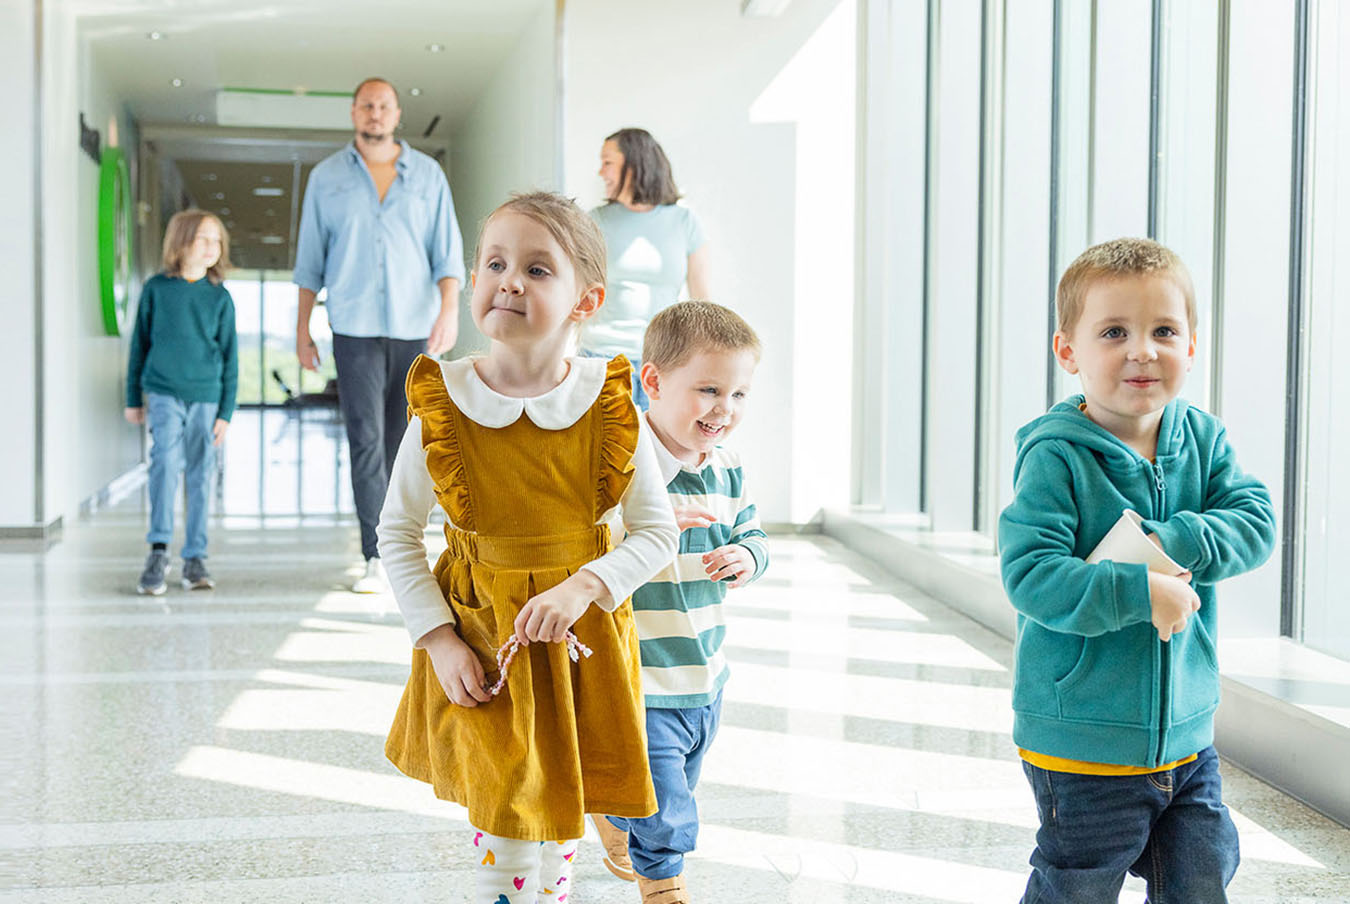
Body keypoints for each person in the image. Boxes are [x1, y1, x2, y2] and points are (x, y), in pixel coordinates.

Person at [376, 191, 679, 904]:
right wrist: (439, 641)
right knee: (507, 821)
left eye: (538, 269)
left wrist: (583, 588)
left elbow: (656, 532)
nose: (508, 280)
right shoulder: (441, 404)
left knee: (557, 822)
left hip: (581, 646)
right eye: (494, 263)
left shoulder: (610, 406)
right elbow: (397, 531)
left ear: (586, 300)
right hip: (486, 649)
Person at [998, 238, 1277, 902]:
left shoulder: (1203, 439)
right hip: (1081, 744)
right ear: (1069, 351)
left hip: (1187, 739)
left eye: (1163, 331)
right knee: (1079, 886)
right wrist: (1136, 592)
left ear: (1192, 343)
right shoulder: (1056, 457)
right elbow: (1031, 576)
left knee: (1201, 878)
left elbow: (1256, 520)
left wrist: (1174, 539)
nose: (1142, 350)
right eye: (1115, 331)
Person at [590, 301, 768, 904]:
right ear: (654, 382)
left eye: (740, 393)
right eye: (709, 389)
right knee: (668, 804)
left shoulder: (728, 467)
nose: (725, 409)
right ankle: (663, 883)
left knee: (678, 783)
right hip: (642, 673)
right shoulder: (621, 464)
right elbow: (589, 542)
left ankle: (616, 815)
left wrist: (748, 556)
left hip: (706, 669)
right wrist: (647, 522)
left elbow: (753, 533)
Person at [293, 76, 465, 594]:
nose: (374, 113)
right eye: (366, 105)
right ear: (353, 113)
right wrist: (302, 330)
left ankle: (404, 546)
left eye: (383, 105)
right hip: (353, 327)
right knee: (364, 440)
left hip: (416, 328)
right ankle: (375, 553)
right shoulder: (327, 178)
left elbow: (447, 252)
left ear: (396, 115)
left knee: (407, 442)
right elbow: (308, 260)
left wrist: (450, 311)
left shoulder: (428, 176)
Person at [124, 209, 238, 595]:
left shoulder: (220, 298)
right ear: (181, 241)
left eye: (217, 240)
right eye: (203, 238)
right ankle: (158, 551)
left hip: (206, 396)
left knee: (201, 475)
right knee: (165, 465)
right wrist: (131, 398)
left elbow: (230, 357)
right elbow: (139, 345)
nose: (211, 247)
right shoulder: (156, 290)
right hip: (162, 391)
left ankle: (194, 557)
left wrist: (225, 411)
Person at [583, 128, 711, 409]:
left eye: (607, 162)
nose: (600, 172)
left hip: (663, 364)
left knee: (656, 451)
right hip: (602, 360)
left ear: (634, 163)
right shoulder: (594, 221)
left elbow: (702, 301)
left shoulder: (684, 221)